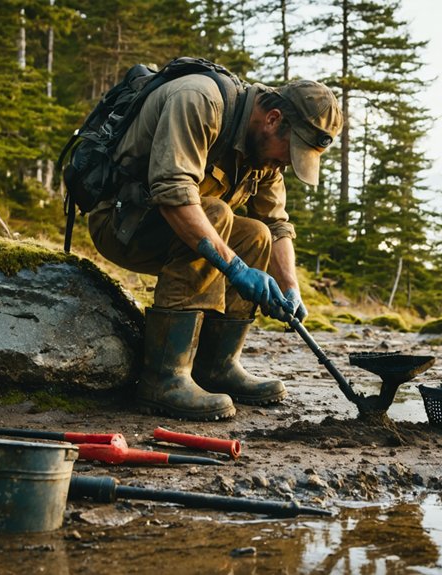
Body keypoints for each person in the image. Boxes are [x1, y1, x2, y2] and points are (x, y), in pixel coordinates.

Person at [87, 70, 342, 421]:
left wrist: (290, 289)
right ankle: (164, 377)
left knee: (255, 235)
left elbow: (276, 224)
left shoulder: (265, 153)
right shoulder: (200, 100)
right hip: (121, 225)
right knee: (217, 213)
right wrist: (236, 269)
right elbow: (175, 196)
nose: (286, 163)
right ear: (273, 119)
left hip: (172, 230)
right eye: (291, 151)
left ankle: (216, 368)